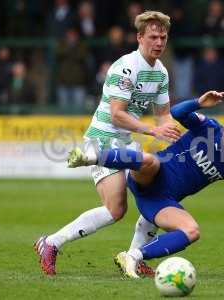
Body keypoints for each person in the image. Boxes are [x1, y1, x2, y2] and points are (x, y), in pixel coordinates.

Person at [68, 90, 224, 279]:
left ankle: (132, 257)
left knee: (192, 231)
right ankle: (92, 156)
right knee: (150, 160)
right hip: (149, 176)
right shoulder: (208, 128)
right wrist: (199, 102)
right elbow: (178, 112)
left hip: (161, 202)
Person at [34, 11, 181, 276]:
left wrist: (173, 132)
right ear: (139, 37)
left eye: (163, 37)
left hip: (126, 140)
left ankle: (133, 258)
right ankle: (51, 242)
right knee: (116, 209)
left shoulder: (160, 73)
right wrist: (152, 130)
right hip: (102, 138)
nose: (159, 42)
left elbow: (163, 116)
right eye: (153, 37)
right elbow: (117, 114)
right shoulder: (126, 67)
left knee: (155, 191)